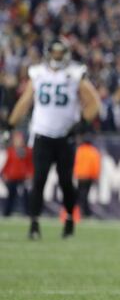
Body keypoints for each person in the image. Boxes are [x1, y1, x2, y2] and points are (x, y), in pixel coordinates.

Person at [7, 40, 101, 239]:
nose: (57, 57)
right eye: (54, 53)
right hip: (42, 134)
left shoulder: (75, 73)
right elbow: (25, 101)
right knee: (38, 180)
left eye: (60, 53)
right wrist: (11, 123)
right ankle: (34, 224)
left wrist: (81, 123)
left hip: (65, 137)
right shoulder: (38, 73)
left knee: (66, 181)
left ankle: (69, 219)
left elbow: (94, 103)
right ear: (48, 53)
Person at [2, 131, 33, 217]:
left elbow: (30, 164)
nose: (19, 141)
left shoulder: (28, 150)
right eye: (17, 139)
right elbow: (8, 163)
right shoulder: (11, 150)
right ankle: (7, 213)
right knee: (11, 195)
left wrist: (30, 173)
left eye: (20, 139)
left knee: (26, 195)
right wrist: (4, 173)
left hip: (24, 177)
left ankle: (27, 212)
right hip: (12, 177)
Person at [73, 134, 101, 217]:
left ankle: (83, 210)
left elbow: (75, 162)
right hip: (88, 176)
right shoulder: (93, 151)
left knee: (81, 193)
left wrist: (76, 173)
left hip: (80, 176)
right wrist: (96, 177)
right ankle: (85, 211)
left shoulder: (79, 150)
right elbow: (96, 165)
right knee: (84, 194)